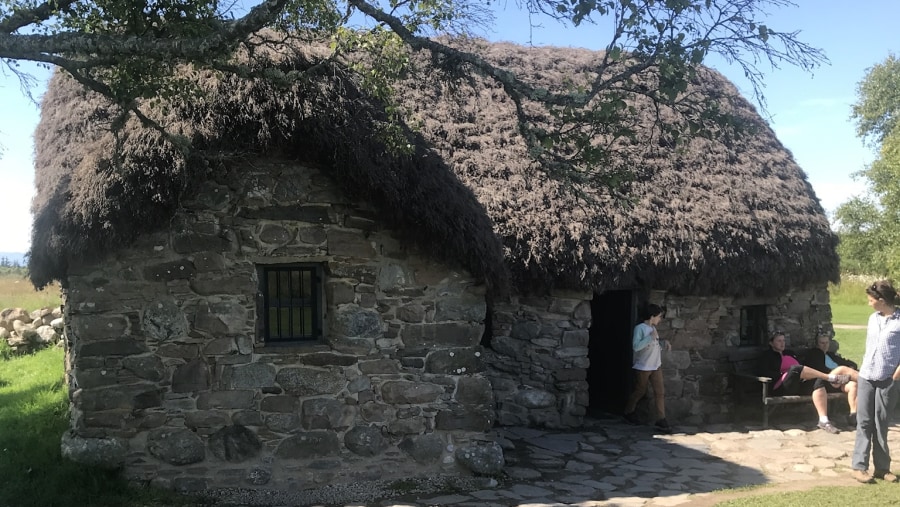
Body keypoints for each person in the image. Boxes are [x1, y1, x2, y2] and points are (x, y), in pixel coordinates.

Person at [850, 280, 900, 484]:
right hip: (867, 376)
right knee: (864, 422)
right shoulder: (873, 319)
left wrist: (895, 376)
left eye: (871, 300)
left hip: (887, 379)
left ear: (882, 301)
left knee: (881, 423)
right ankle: (859, 467)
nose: (869, 303)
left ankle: (882, 468)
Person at [757, 331, 850, 434]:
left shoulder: (789, 353)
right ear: (771, 343)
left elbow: (803, 368)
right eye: (779, 341)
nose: (782, 343)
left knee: (818, 381)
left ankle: (824, 420)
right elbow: (763, 372)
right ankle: (830, 377)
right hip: (781, 386)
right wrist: (783, 373)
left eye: (783, 340)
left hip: (798, 384)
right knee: (796, 368)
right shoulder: (767, 355)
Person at [623, 303, 672, 433]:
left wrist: (663, 342)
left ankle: (661, 418)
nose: (660, 319)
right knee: (640, 390)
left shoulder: (653, 329)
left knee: (660, 392)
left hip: (656, 365)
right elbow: (636, 346)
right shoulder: (640, 329)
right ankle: (628, 411)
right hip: (643, 366)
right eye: (659, 317)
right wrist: (650, 338)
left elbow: (654, 345)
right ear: (652, 316)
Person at [803, 334, 859, 426]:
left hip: (840, 381)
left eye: (827, 343)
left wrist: (849, 369)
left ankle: (853, 415)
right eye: (822, 343)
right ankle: (868, 381)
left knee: (853, 385)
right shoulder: (814, 354)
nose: (825, 345)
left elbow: (851, 363)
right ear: (817, 344)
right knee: (842, 369)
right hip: (826, 379)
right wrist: (840, 373)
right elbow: (819, 369)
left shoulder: (831, 355)